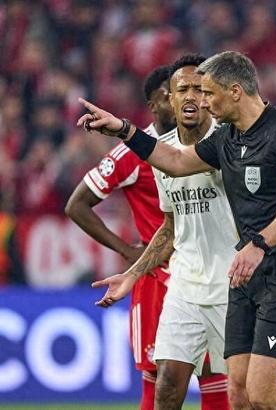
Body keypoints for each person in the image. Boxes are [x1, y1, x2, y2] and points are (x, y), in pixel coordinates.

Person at [77, 50, 276, 410]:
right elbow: (174, 176)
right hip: (204, 283)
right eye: (187, 90)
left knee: (257, 397)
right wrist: (124, 130)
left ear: (233, 91)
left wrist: (258, 243)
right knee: (188, 387)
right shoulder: (221, 141)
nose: (201, 100)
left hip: (265, 273)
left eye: (206, 92)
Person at [89, 54, 233, 410]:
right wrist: (132, 273)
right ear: (170, 96)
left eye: (199, 89)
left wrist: (123, 129)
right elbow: (170, 227)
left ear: (210, 97)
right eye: (182, 89)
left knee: (246, 394)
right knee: (166, 383)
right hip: (184, 285)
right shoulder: (160, 153)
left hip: (231, 284)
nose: (190, 96)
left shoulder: (231, 142)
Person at [66, 65, 175, 410]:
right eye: (170, 95)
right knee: (157, 379)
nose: (180, 100)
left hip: (208, 274)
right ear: (153, 105)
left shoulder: (205, 146)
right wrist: (127, 252)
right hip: (158, 277)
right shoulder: (131, 152)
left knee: (217, 375)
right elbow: (77, 205)